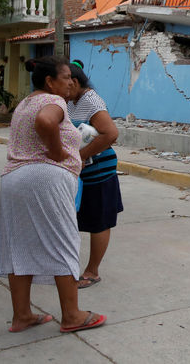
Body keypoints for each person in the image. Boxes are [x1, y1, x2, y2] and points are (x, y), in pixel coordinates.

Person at [0, 56, 106, 333]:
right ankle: (72, 315)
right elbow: (46, 122)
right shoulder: (53, 102)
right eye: (67, 77)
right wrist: (57, 153)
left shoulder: (25, 102)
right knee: (63, 242)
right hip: (44, 180)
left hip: (14, 179)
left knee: (19, 246)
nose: (71, 82)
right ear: (50, 81)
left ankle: (21, 315)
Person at [67, 59, 122, 289]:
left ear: (75, 82)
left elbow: (110, 134)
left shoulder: (91, 100)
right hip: (81, 171)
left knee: (99, 221)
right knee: (78, 219)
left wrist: (80, 157)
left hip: (98, 170)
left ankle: (92, 271)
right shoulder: (70, 101)